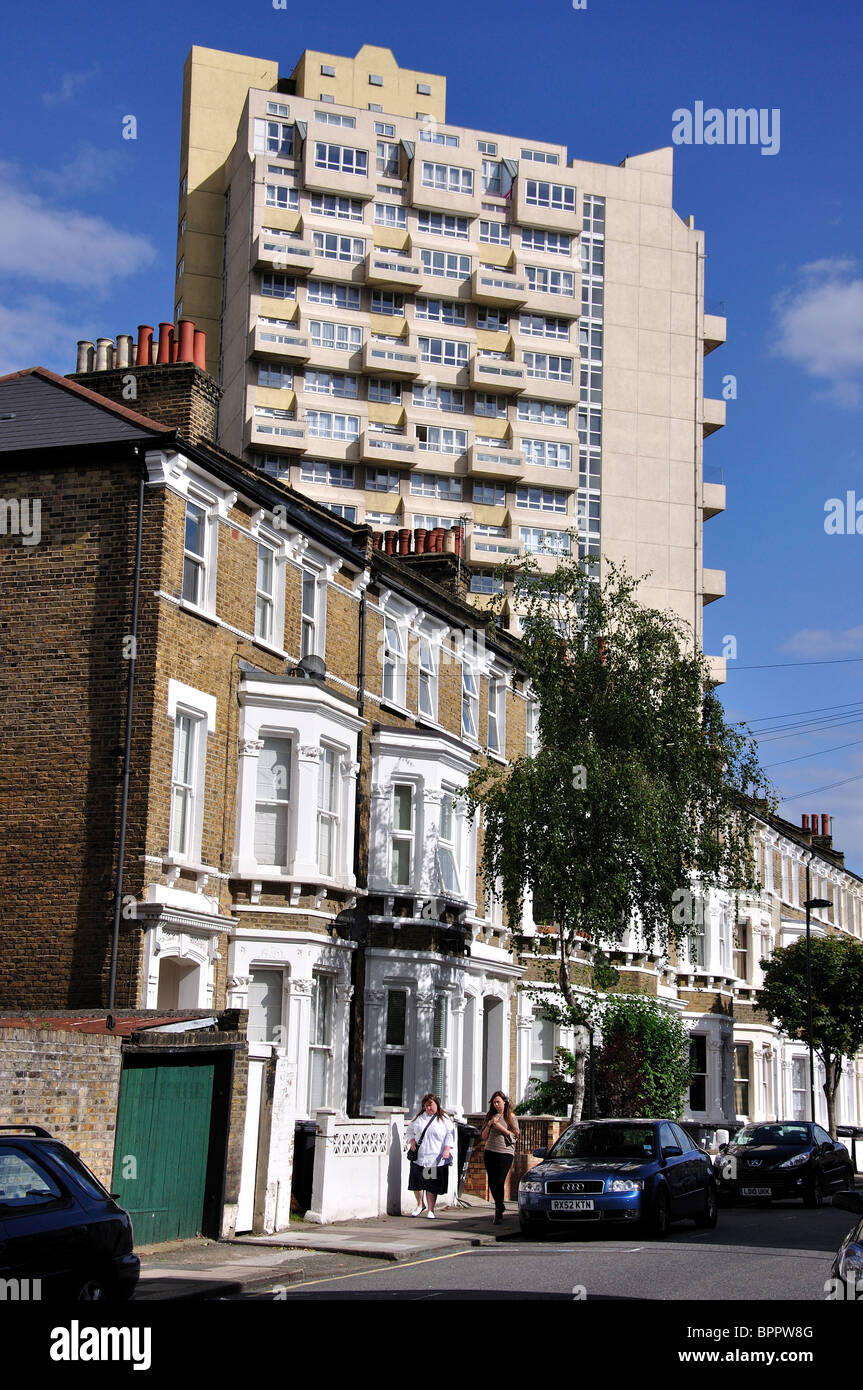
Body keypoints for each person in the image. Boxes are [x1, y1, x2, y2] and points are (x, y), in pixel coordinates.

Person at [407, 1094, 456, 1219]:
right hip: (419, 1157)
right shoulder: (419, 1118)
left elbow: (450, 1135)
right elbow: (410, 1130)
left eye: (431, 1105)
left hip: (433, 1157)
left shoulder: (443, 1118)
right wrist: (412, 1141)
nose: (429, 1107)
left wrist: (447, 1149)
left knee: (430, 1184)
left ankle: (430, 1209)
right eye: (426, 1105)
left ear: (437, 1105)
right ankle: (420, 1204)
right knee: (417, 1183)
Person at [481, 1091, 519, 1224]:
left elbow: (515, 1137)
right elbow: (484, 1136)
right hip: (490, 1151)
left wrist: (501, 1128)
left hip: (505, 1152)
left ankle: (498, 1210)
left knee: (499, 1180)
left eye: (498, 1102)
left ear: (504, 1102)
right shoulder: (490, 1116)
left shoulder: (510, 1117)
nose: (496, 1105)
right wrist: (490, 1124)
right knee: (492, 1181)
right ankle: (499, 1206)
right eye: (494, 1103)